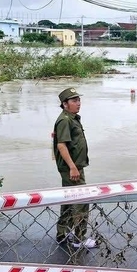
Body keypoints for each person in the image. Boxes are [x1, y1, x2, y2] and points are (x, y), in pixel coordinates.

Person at [53, 87, 97, 249]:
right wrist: (72, 167)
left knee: (69, 200)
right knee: (81, 202)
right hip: (71, 168)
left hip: (74, 167)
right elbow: (61, 145)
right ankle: (79, 238)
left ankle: (62, 233)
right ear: (65, 104)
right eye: (74, 101)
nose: (78, 103)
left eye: (78, 100)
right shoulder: (65, 120)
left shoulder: (71, 118)